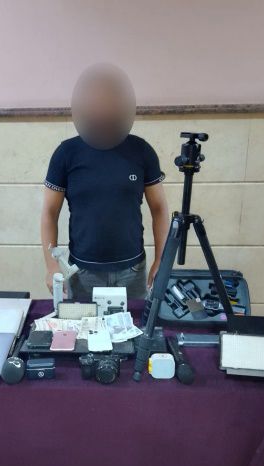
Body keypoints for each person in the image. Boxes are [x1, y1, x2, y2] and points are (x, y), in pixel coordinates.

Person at [41, 64, 169, 300]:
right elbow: (49, 213)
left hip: (132, 271)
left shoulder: (141, 151)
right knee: (83, 325)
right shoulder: (66, 154)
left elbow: (160, 209)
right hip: (82, 272)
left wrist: (162, 260)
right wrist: (51, 266)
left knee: (135, 323)